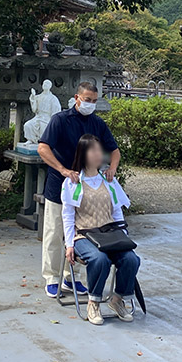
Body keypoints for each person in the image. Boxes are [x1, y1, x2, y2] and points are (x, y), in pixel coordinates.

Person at [37, 81, 120, 299]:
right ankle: (52, 278)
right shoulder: (60, 120)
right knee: (55, 231)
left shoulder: (97, 123)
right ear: (77, 98)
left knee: (82, 234)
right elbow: (43, 147)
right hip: (61, 184)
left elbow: (114, 150)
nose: (90, 104)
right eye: (87, 100)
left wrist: (111, 168)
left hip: (87, 189)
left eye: (94, 101)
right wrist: (62, 169)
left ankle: (70, 277)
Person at [61, 134, 138, 325]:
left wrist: (123, 236)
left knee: (131, 259)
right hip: (84, 235)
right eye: (93, 149)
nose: (99, 154)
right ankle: (93, 302)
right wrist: (69, 245)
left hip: (110, 234)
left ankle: (117, 299)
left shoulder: (109, 179)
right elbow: (68, 216)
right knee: (99, 259)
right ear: (83, 153)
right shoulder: (73, 182)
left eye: (100, 150)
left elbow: (117, 212)